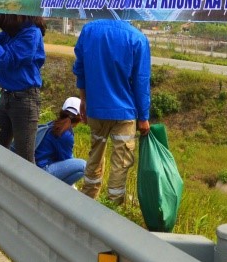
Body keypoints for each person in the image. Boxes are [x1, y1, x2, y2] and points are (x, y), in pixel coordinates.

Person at [72, 19, 151, 204]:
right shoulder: (137, 38)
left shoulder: (89, 30)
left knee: (95, 154)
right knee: (121, 163)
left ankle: (87, 201)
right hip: (124, 113)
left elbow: (80, 69)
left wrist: (83, 99)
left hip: (96, 109)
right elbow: (141, 81)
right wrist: (143, 117)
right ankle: (113, 206)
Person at [0, 10, 45, 162]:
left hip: (25, 100)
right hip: (6, 97)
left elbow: (5, 58)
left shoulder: (31, 33)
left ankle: (25, 186)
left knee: (24, 157)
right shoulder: (9, 34)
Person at [35, 97, 87, 186]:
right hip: (43, 170)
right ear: (80, 118)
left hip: (37, 166)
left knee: (78, 169)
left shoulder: (54, 124)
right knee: (84, 166)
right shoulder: (66, 134)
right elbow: (67, 160)